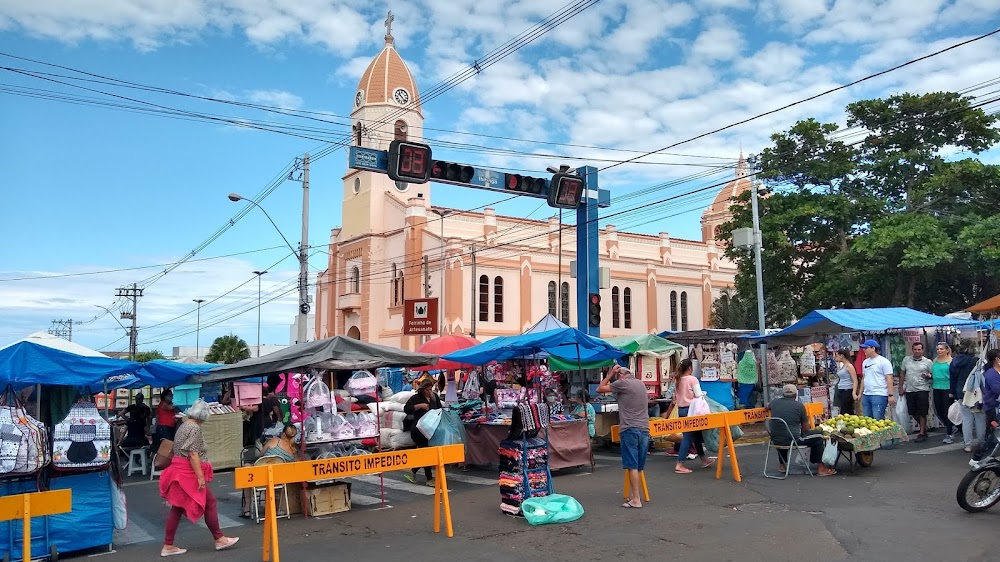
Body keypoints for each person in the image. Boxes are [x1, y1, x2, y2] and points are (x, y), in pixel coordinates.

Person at [159, 400, 239, 557]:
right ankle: (219, 538)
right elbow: (193, 453)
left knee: (177, 507)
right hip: (187, 473)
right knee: (209, 503)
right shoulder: (195, 428)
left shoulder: (184, 425)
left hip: (178, 470)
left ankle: (168, 545)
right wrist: (200, 476)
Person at [597, 364, 649, 508]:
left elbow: (600, 389)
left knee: (631, 465)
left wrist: (610, 373)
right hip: (644, 428)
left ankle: (636, 499)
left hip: (630, 428)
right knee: (638, 466)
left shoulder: (622, 383)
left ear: (620, 376)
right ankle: (635, 496)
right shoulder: (640, 384)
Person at [766, 384, 837, 476]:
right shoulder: (799, 406)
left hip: (775, 439)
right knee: (818, 437)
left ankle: (782, 465)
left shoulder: (774, 402)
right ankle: (821, 468)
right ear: (795, 395)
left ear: (783, 394)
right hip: (793, 440)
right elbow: (806, 429)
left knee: (784, 433)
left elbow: (767, 406)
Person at [671, 359, 715, 474]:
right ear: (690, 368)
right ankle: (679, 463)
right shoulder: (692, 379)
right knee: (688, 437)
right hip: (692, 410)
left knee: (695, 436)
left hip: (681, 410)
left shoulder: (678, 380)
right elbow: (698, 395)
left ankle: (703, 459)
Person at [403, 378, 442, 485]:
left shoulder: (434, 397)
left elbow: (440, 409)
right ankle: (429, 479)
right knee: (426, 452)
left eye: (430, 389)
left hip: (431, 429)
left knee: (426, 453)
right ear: (422, 389)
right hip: (418, 430)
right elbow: (406, 409)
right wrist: (419, 406)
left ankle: (413, 470)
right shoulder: (416, 398)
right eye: (427, 390)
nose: (429, 392)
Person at [951, 342, 983, 453]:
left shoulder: (954, 361)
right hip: (975, 392)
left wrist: (953, 392)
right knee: (979, 418)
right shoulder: (976, 360)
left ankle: (968, 445)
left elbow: (953, 378)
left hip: (961, 392)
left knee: (967, 419)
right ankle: (981, 443)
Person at [899, 342, 933, 442]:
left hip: (923, 389)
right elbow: (902, 374)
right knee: (912, 411)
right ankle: (924, 428)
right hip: (910, 389)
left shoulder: (928, 362)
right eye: (915, 349)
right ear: (912, 350)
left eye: (919, 349)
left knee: (922, 411)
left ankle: (922, 432)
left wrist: (928, 376)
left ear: (922, 350)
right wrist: (900, 387)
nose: (917, 351)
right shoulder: (906, 360)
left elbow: (932, 375)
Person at [859, 339, 896, 420]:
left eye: (866, 348)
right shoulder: (865, 362)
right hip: (867, 394)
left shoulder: (883, 361)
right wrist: (860, 393)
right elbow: (863, 378)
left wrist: (890, 394)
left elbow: (889, 378)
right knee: (866, 420)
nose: (864, 350)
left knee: (877, 419)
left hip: (879, 394)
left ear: (873, 348)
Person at [931, 343, 957, 443]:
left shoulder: (951, 362)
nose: (939, 351)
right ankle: (952, 426)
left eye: (941, 349)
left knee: (947, 411)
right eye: (938, 349)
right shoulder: (934, 361)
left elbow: (954, 376)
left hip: (947, 387)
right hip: (936, 386)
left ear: (947, 350)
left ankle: (949, 433)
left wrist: (953, 391)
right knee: (938, 410)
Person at [834, 350, 859, 415]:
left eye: (837, 356)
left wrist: (854, 392)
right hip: (841, 389)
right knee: (845, 409)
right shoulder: (843, 366)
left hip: (847, 390)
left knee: (846, 410)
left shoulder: (849, 366)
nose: (836, 357)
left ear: (841, 356)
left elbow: (855, 380)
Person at [982, 349, 1000, 428]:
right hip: (993, 407)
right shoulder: (991, 373)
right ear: (997, 359)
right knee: (995, 432)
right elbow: (997, 389)